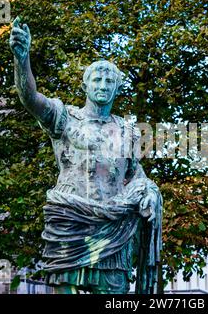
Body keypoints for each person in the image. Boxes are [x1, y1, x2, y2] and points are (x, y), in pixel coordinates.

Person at [9, 16, 162, 294]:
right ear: (85, 85)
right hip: (69, 224)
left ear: (117, 88)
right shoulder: (65, 117)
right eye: (96, 79)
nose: (102, 85)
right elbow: (30, 97)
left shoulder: (127, 130)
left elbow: (136, 176)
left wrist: (150, 192)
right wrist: (22, 59)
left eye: (109, 81)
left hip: (112, 229)